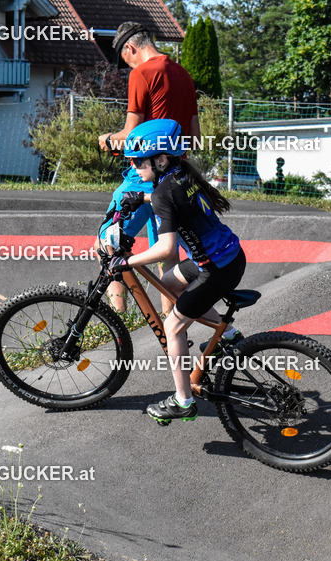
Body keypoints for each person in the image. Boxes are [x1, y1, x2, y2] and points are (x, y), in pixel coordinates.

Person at [108, 119, 245, 423]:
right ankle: (230, 336)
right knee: (169, 284)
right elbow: (174, 199)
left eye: (138, 161)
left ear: (160, 160)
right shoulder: (181, 173)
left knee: (173, 326)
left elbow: (167, 250)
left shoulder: (163, 193)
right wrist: (141, 198)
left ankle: (183, 401)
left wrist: (127, 261)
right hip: (226, 256)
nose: (134, 167)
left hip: (215, 268)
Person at [96, 22, 202, 313]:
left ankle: (116, 317)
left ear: (130, 48)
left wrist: (106, 140)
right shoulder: (184, 75)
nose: (127, 64)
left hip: (144, 175)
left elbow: (130, 134)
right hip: (176, 172)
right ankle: (171, 326)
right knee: (167, 255)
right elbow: (195, 137)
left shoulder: (142, 73)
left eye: (125, 58)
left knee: (108, 240)